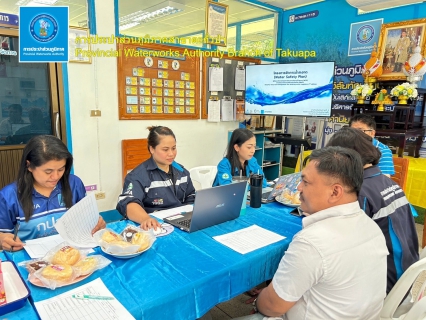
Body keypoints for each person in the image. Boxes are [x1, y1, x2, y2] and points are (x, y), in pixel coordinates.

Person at [236, 147, 388, 320]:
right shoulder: (371, 226)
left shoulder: (313, 242)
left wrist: (262, 300)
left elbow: (272, 307)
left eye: (306, 182)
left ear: (335, 192)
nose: (298, 188)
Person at [327, 127, 419, 294]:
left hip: (383, 283)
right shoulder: (388, 183)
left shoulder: (360, 191)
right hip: (406, 276)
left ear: (345, 157)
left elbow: (343, 243)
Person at [0, 135, 106, 251]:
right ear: (29, 166)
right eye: (48, 171)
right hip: (29, 257)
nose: (55, 176)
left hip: (72, 252)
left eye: (61, 169)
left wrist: (96, 223)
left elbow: (87, 220)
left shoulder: (74, 184)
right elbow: (4, 236)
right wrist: (3, 239)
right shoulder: (8, 196)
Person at [117, 126, 196, 230]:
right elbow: (129, 204)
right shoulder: (138, 176)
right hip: (154, 226)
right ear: (152, 149)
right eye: (165, 149)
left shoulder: (182, 172)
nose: (171, 154)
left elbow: (191, 197)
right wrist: (146, 219)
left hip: (180, 223)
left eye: (174, 148)